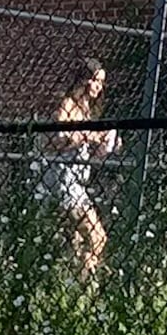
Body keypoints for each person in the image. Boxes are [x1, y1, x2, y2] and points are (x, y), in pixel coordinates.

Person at [44, 58, 116, 281]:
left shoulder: (87, 110)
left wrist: (105, 144)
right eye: (95, 80)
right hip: (65, 180)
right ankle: (86, 284)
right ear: (84, 80)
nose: (98, 87)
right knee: (97, 237)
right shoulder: (67, 105)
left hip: (78, 181)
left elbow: (89, 152)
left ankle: (76, 285)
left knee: (74, 245)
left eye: (101, 82)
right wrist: (89, 135)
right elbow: (57, 139)